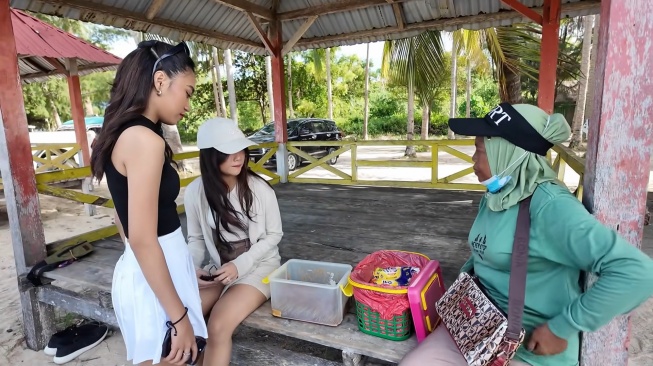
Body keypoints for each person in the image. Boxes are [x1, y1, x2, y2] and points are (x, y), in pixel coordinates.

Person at [400, 103, 653, 366]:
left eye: (480, 150)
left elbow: (638, 273)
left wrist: (563, 326)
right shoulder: (498, 194)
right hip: (477, 326)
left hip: (527, 348)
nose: (473, 160)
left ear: (509, 154)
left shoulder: (551, 207)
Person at [89, 40, 207, 366]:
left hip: (150, 274)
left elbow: (122, 219)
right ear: (160, 81)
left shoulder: (124, 134)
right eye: (188, 91)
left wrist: (176, 263)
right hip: (154, 288)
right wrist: (178, 318)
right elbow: (142, 238)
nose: (188, 103)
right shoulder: (145, 141)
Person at [184, 117, 283, 366]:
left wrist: (241, 265)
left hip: (260, 267)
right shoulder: (195, 192)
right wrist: (190, 268)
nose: (239, 157)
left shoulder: (260, 189)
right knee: (187, 315)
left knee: (218, 325)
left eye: (240, 149)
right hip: (219, 270)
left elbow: (274, 235)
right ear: (210, 156)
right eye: (229, 152)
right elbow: (195, 239)